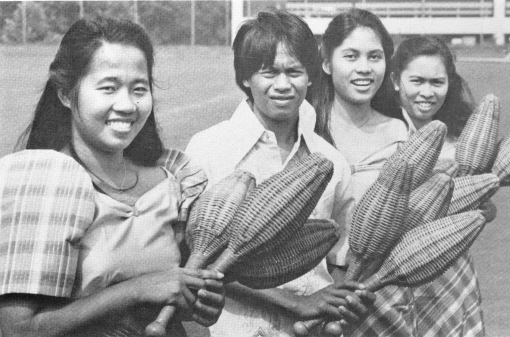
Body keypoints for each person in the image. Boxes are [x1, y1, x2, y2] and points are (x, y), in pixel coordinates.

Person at [0, 17, 224, 336]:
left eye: (139, 89)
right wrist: (136, 289)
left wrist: (200, 300)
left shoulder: (171, 180)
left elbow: (177, 293)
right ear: (66, 94)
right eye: (108, 88)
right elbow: (16, 331)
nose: (127, 105)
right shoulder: (45, 181)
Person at [185, 8, 374, 337]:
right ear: (245, 77)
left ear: (311, 76)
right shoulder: (208, 150)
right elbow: (197, 261)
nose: (283, 85)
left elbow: (341, 258)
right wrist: (294, 303)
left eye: (295, 71)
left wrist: (339, 308)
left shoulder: (331, 161)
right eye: (269, 73)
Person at [311, 8, 417, 336]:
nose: (364, 68)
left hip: (384, 296)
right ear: (327, 63)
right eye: (351, 56)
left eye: (375, 57)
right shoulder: (304, 128)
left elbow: (420, 209)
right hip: (315, 296)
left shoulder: (400, 131)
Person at [390, 35, 497, 336]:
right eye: (417, 81)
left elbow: (482, 207)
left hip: (448, 276)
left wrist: (483, 207)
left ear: (449, 83)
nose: (427, 92)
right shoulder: (380, 131)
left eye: (437, 82)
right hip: (389, 276)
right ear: (396, 80)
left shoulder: (461, 142)